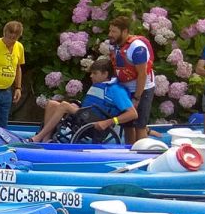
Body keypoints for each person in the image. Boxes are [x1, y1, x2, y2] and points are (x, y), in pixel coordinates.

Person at [28, 58, 137, 143]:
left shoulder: (116, 90)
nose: (91, 76)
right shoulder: (98, 85)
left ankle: (38, 137)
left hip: (94, 120)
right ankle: (45, 140)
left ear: (105, 74)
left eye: (95, 73)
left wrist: (109, 122)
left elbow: (132, 114)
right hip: (85, 114)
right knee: (52, 104)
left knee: (64, 105)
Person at [109, 15, 155, 143]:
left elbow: (142, 74)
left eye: (114, 31)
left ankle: (142, 154)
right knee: (127, 125)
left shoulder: (137, 48)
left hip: (143, 89)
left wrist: (137, 98)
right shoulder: (114, 46)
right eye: (110, 31)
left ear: (124, 32)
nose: (110, 34)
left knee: (140, 125)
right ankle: (128, 151)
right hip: (125, 88)